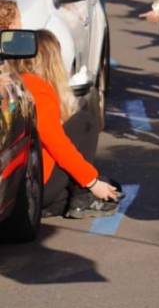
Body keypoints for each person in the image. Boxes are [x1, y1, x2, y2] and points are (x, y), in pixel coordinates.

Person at [10, 28, 123, 216]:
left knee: (104, 185)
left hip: (21, 181)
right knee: (84, 122)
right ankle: (81, 197)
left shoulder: (15, 82)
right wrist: (91, 182)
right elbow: (57, 144)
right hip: (36, 184)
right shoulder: (38, 88)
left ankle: (66, 199)